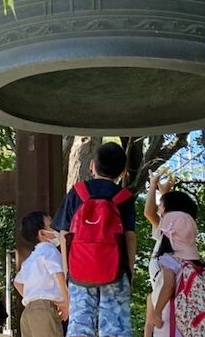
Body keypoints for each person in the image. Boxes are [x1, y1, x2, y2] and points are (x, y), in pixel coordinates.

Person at [52, 141, 136, 337]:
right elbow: (129, 237)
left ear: (92, 165)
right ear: (123, 172)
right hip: (115, 269)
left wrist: (67, 271)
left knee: (79, 324)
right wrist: (129, 271)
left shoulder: (78, 192)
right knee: (116, 326)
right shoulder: (124, 197)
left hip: (79, 270)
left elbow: (64, 234)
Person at [143, 173, 198, 337]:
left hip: (168, 314)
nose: (158, 211)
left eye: (161, 208)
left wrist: (153, 185)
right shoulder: (186, 244)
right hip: (176, 312)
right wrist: (165, 193)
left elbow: (149, 212)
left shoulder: (168, 239)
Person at [14, 211, 69, 337]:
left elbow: (17, 283)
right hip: (44, 310)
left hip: (28, 312)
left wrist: (34, 298)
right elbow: (58, 275)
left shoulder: (32, 258)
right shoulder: (49, 250)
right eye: (51, 225)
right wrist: (67, 302)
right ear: (42, 233)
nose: (56, 227)